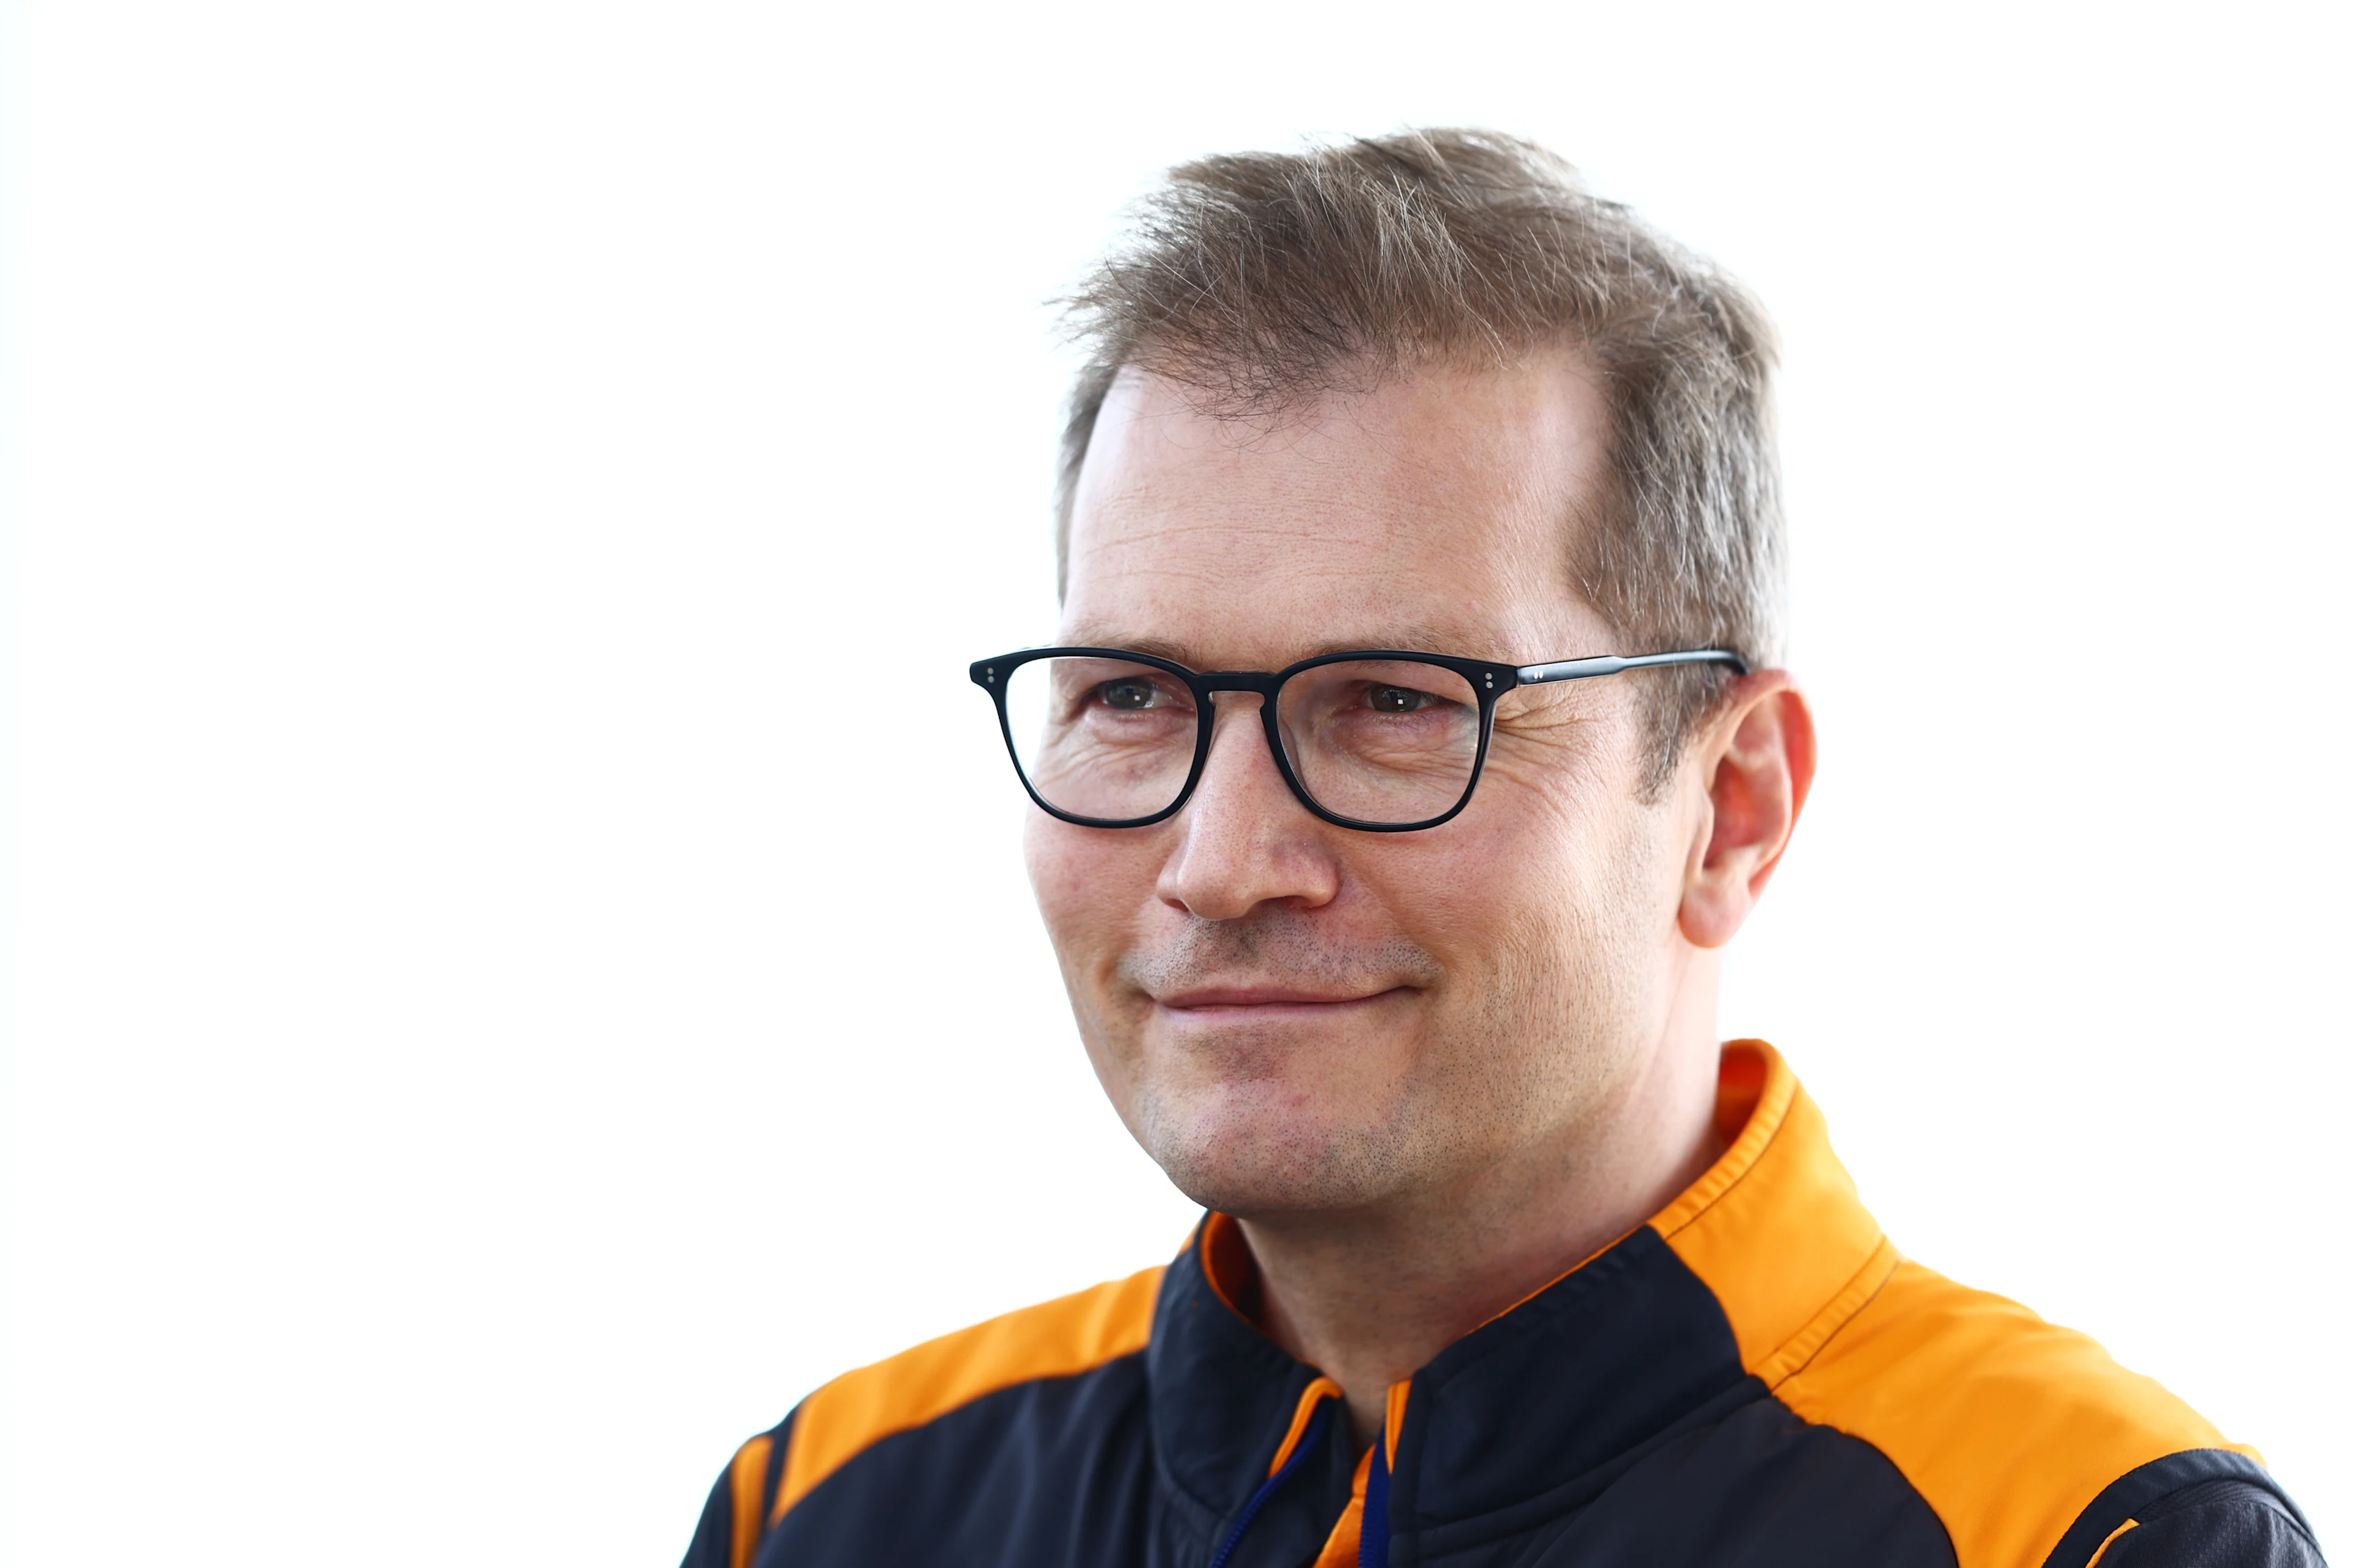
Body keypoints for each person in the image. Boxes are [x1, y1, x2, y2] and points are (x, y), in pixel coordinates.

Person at [679, 130, 2322, 1568]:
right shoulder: (831, 1506)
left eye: (1396, 701)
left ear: (1730, 802)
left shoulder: (2084, 1534)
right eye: (1132, 694)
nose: (1221, 860)